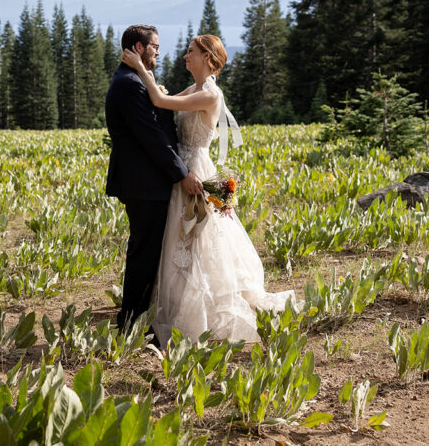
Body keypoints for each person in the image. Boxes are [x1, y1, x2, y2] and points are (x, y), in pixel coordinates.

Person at [121, 34, 294, 347]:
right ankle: (169, 304)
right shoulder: (197, 89)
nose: (186, 57)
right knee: (181, 239)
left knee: (197, 237)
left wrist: (139, 68)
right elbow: (167, 99)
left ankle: (198, 312)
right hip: (182, 167)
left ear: (208, 58)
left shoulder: (210, 94)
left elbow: (162, 102)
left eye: (191, 52)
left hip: (195, 170)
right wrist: (156, 87)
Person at [106, 25, 203, 333]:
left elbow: (157, 124)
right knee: (144, 255)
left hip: (146, 183)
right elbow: (152, 138)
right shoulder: (129, 85)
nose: (159, 51)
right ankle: (131, 324)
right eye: (155, 46)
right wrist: (183, 173)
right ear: (139, 47)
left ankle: (139, 320)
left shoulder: (133, 81)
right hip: (144, 184)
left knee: (148, 253)